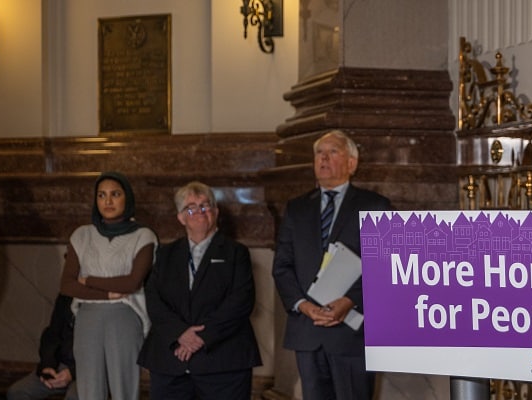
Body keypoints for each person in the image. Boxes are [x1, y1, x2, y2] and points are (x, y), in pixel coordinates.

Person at [273, 130, 394, 400]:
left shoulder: (375, 206)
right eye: (319, 153)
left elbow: (384, 267)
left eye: (333, 152)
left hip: (352, 332)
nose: (324, 159)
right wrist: (304, 306)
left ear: (352, 163)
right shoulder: (296, 208)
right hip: (308, 330)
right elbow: (282, 266)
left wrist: (350, 300)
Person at [138, 181, 262, 399]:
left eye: (206, 206)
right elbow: (154, 299)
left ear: (216, 212)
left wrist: (201, 337)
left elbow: (241, 301)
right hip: (171, 362)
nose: (200, 212)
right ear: (180, 217)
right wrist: (180, 334)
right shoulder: (165, 254)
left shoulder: (236, 253)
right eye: (191, 207)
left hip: (224, 362)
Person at [59, 171, 157, 400]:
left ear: (127, 198)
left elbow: (132, 282)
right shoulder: (81, 236)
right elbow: (66, 285)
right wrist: (108, 294)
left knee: (124, 387)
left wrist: (89, 280)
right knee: (89, 390)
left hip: (125, 315)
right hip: (87, 317)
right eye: (101, 195)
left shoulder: (143, 235)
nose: (108, 201)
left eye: (115, 194)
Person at [6, 294, 77, 400]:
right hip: (61, 365)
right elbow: (52, 335)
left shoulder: (104, 298)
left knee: (74, 397)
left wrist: (72, 373)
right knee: (17, 392)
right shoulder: (67, 295)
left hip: (92, 370)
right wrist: (48, 365)